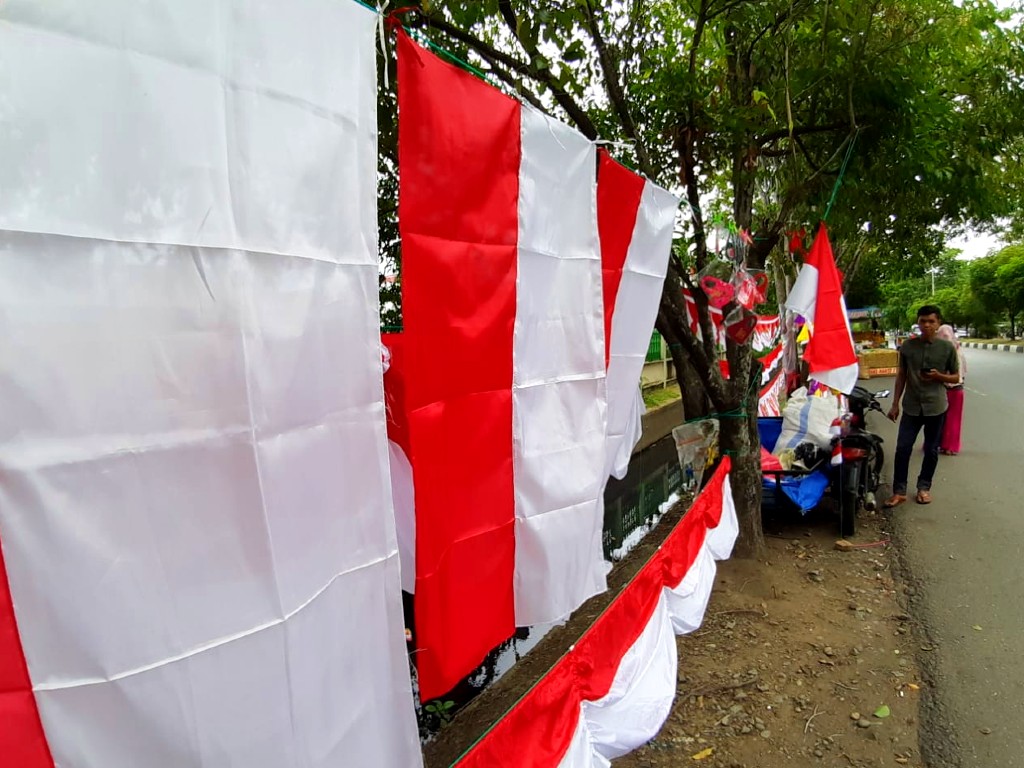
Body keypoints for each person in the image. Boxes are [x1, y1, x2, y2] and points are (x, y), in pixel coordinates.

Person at [884, 305, 960, 507]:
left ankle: (924, 488)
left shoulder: (947, 348)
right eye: (923, 321)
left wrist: (938, 376)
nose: (926, 325)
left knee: (932, 449)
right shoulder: (908, 346)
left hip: (936, 406)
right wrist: (895, 404)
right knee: (902, 448)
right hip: (911, 406)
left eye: (931, 321)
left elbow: (955, 376)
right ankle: (899, 491)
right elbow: (902, 375)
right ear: (918, 322)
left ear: (938, 323)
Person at [936, 324, 966, 455]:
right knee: (953, 419)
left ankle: (936, 444)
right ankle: (950, 447)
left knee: (938, 418)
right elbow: (963, 369)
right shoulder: (958, 348)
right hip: (957, 388)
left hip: (942, 388)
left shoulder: (939, 349)